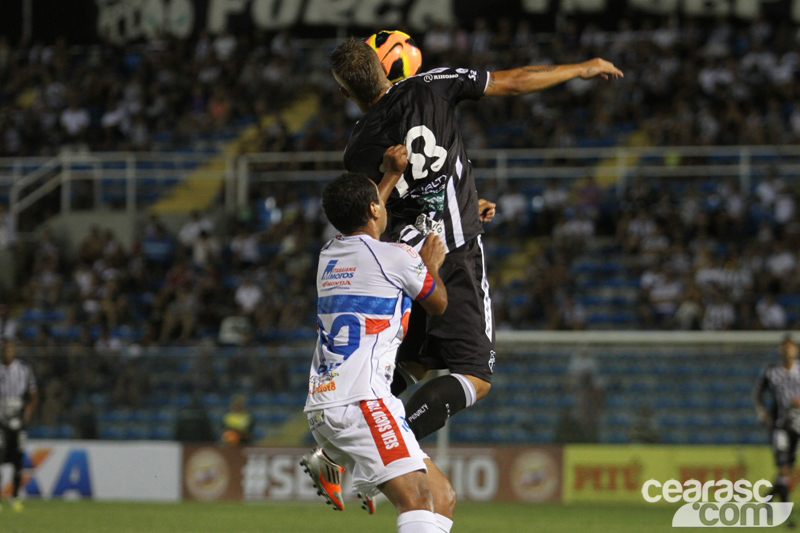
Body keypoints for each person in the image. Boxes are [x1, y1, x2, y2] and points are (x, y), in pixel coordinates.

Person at [329, 37, 623, 443]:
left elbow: (376, 215)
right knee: (474, 376)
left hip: (405, 259)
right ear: (389, 69)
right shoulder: (433, 83)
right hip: (452, 251)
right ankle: (387, 453)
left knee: (415, 363)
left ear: (345, 92)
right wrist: (581, 67)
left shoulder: (357, 148)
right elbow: (516, 81)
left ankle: (337, 436)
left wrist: (466, 198)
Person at [301, 145, 457, 533]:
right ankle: (333, 461)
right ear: (374, 210)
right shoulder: (399, 256)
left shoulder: (329, 255)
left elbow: (365, 220)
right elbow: (438, 304)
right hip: (363, 402)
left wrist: (390, 177)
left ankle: (330, 459)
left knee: (441, 498)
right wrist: (431, 264)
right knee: (419, 500)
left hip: (326, 403)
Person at [754, 335, 800, 520]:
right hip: (779, 425)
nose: (787, 351)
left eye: (790, 347)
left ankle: (768, 498)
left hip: (798, 427)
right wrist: (762, 412)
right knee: (783, 468)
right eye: (784, 347)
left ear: (795, 350)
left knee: (786, 469)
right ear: (780, 351)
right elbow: (757, 393)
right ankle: (785, 514)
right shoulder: (771, 372)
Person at [0, 339, 38, 512]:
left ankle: (15, 497)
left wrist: (27, 414)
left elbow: (33, 395)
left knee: (18, 459)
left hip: (18, 420)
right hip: (0, 421)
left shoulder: (24, 370)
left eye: (10, 348)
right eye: (4, 349)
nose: (8, 351)